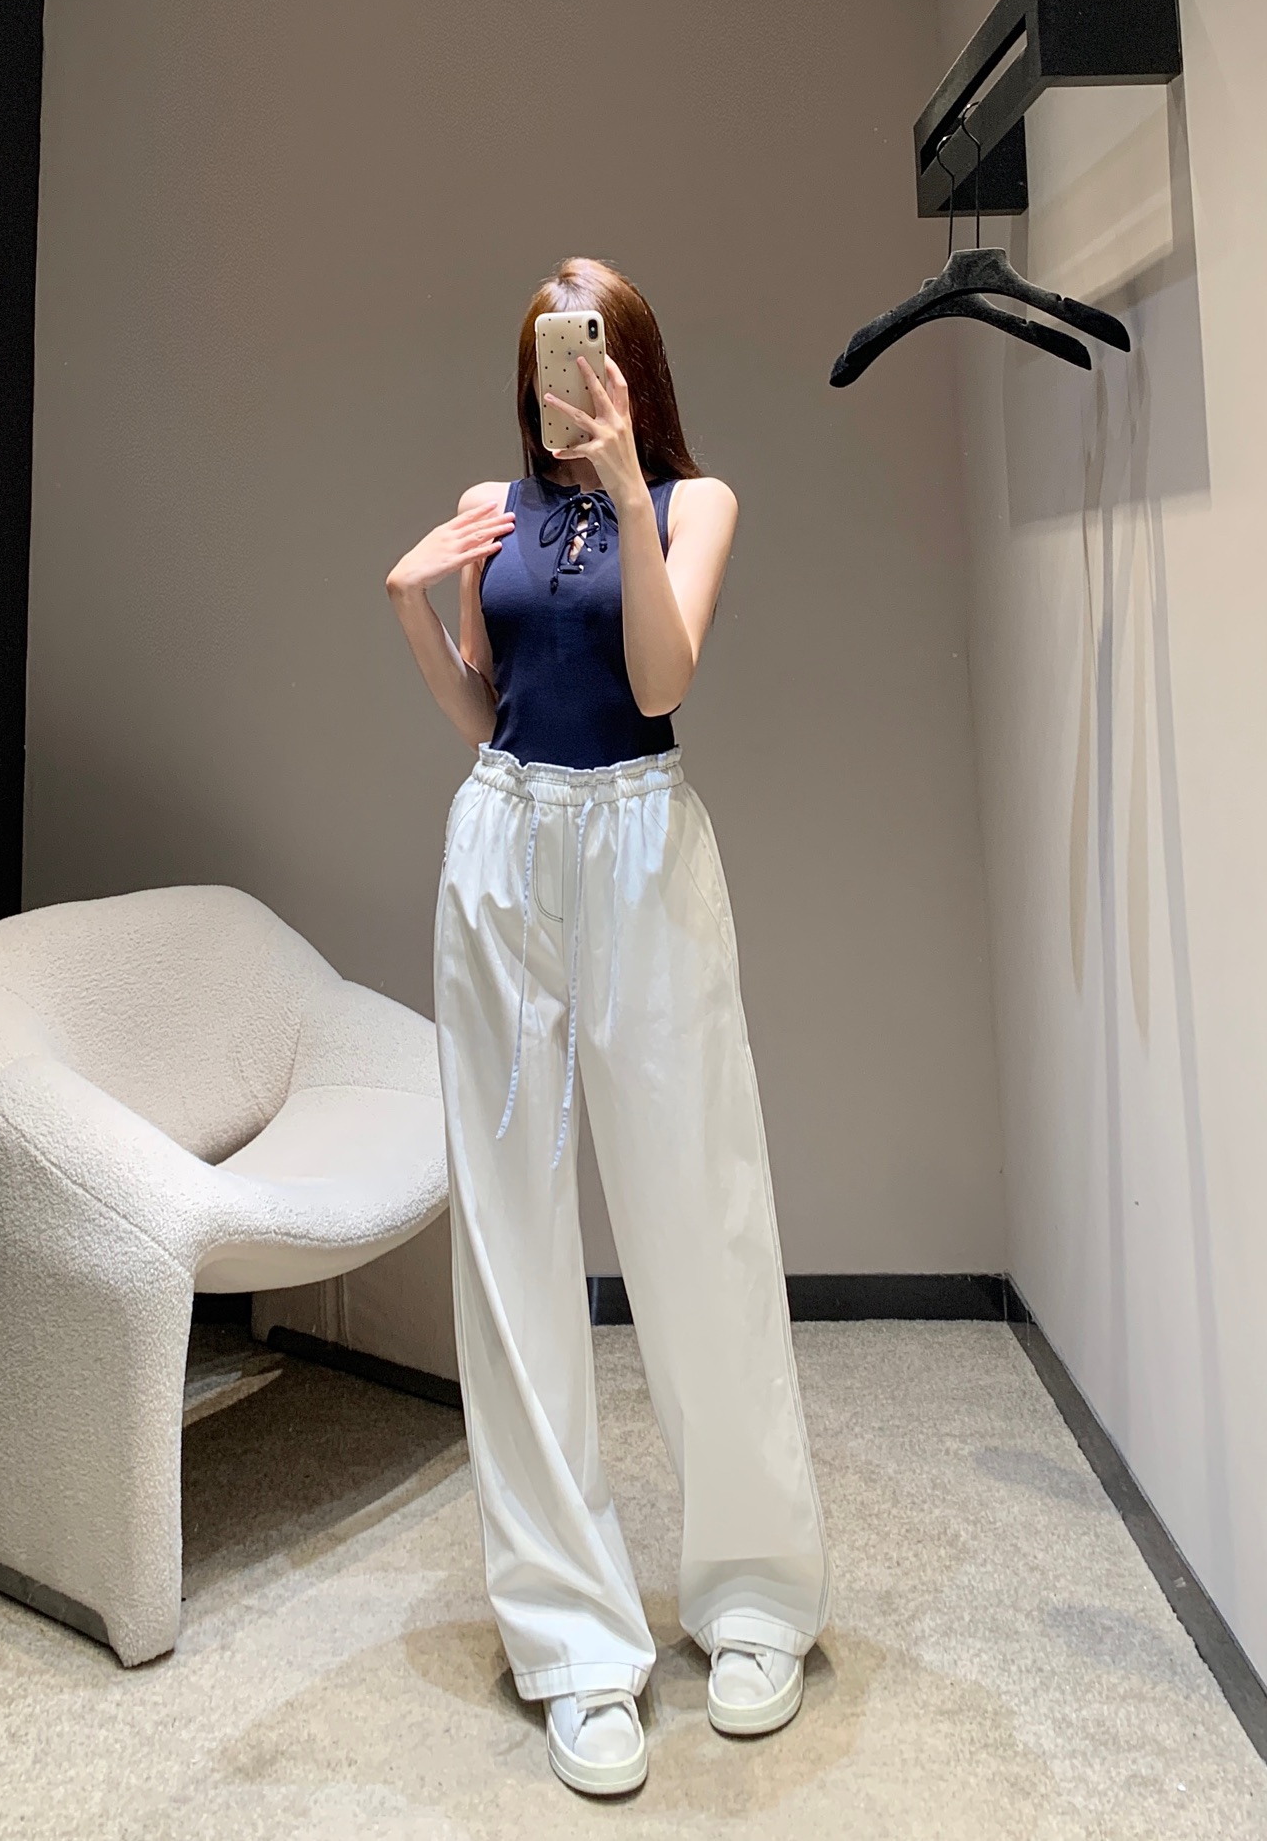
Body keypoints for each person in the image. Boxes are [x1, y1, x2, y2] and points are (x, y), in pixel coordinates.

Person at [386, 257, 831, 1797]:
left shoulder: (696, 505)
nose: (560, 379)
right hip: (505, 838)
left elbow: (659, 675)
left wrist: (631, 485)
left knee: (700, 1206)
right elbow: (486, 709)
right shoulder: (490, 509)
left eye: (584, 352)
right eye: (542, 357)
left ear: (627, 361)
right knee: (511, 1233)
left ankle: (756, 1597)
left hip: (642, 839)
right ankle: (572, 1641)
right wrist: (409, 603)